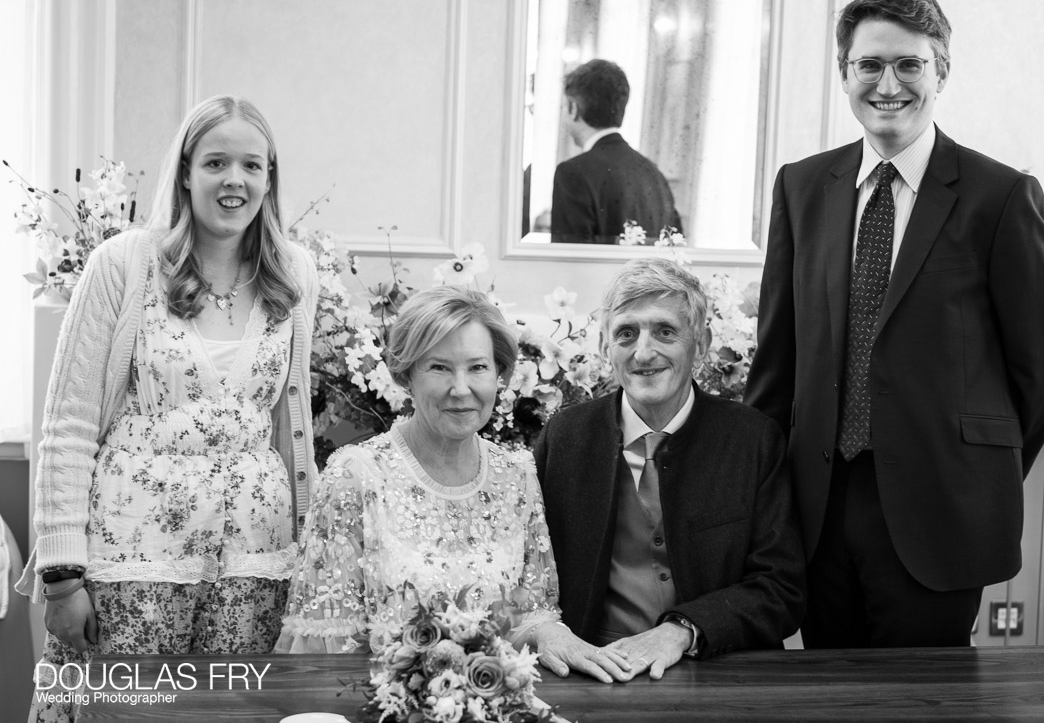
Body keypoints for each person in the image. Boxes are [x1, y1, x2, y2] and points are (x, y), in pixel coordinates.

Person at [744, 0, 1044, 649]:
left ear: (941, 71)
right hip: (817, 507)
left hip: (941, 509)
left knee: (928, 697)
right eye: (870, 64)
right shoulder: (801, 187)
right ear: (844, 73)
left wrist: (978, 464)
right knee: (826, 691)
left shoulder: (1000, 196)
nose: (888, 84)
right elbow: (777, 361)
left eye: (909, 64)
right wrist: (760, 495)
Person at [18, 95, 318, 721]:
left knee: (228, 716)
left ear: (269, 178)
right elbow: (69, 425)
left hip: (255, 565)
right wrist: (63, 577)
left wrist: (308, 553)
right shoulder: (123, 264)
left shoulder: (295, 275)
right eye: (215, 162)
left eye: (251, 165)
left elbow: (293, 430)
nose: (234, 180)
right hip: (132, 559)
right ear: (185, 172)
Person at [275, 287, 628, 682]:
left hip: (492, 698)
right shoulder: (355, 476)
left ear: (499, 374)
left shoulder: (517, 474)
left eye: (477, 367)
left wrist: (552, 635)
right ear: (406, 375)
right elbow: (329, 648)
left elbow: (526, 611)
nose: (461, 389)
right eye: (439, 368)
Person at [535, 258, 805, 681]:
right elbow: (529, 573)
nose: (644, 352)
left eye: (665, 331)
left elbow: (781, 588)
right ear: (605, 347)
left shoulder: (753, 440)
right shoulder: (564, 437)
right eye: (626, 333)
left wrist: (682, 631)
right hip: (592, 674)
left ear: (701, 343)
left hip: (719, 672)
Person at [550, 59, 683, 244]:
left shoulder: (572, 173)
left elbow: (569, 256)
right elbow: (675, 249)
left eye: (563, 107)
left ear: (573, 108)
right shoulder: (654, 174)